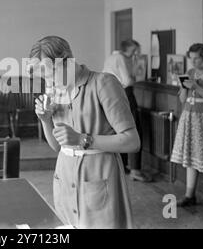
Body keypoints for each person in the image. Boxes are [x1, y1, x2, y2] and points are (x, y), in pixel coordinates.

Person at [29, 36, 140, 229]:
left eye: (50, 73)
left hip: (98, 174)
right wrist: (45, 120)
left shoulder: (104, 83)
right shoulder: (57, 91)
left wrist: (82, 139)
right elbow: (57, 146)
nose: (48, 81)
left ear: (66, 61)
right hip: (64, 176)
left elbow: (132, 142)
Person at [170, 43, 203, 217]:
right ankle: (189, 195)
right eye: (191, 58)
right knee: (190, 158)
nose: (192, 62)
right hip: (189, 117)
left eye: (196, 58)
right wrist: (183, 87)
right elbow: (183, 99)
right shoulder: (190, 73)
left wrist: (196, 87)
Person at [103, 39, 152, 182]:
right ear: (130, 49)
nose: (138, 53)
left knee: (119, 129)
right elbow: (128, 80)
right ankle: (135, 169)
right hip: (125, 93)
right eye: (136, 50)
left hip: (111, 95)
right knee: (134, 129)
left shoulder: (111, 57)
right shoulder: (121, 58)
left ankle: (122, 165)